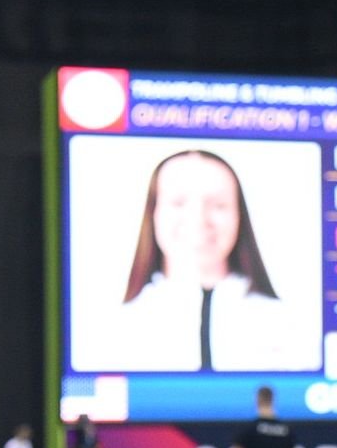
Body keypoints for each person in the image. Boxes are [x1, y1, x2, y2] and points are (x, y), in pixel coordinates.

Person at [108, 149, 317, 372]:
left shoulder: (289, 327)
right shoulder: (117, 331)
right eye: (178, 202)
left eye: (218, 205)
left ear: (239, 215)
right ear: (153, 213)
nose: (198, 219)